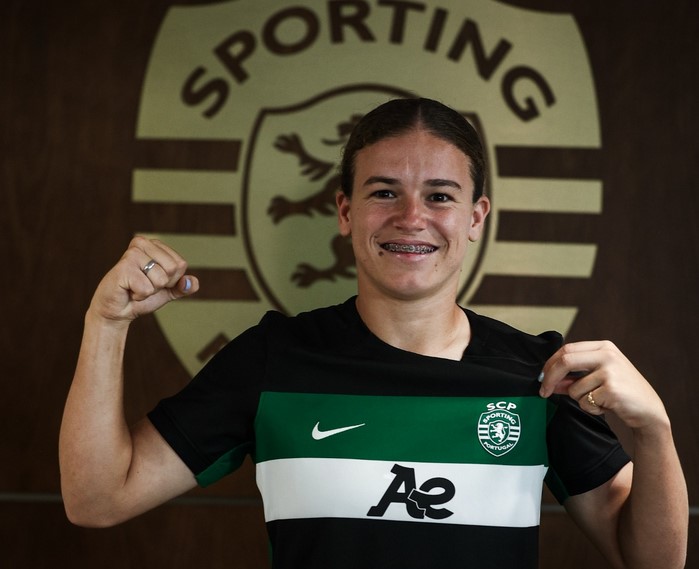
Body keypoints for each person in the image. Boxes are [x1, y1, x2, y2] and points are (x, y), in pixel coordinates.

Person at [59, 98, 687, 568]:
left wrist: (654, 432)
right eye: (385, 192)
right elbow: (97, 500)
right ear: (345, 211)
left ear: (475, 218)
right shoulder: (274, 359)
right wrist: (105, 323)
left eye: (440, 196)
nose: (411, 217)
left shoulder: (538, 376)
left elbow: (653, 561)